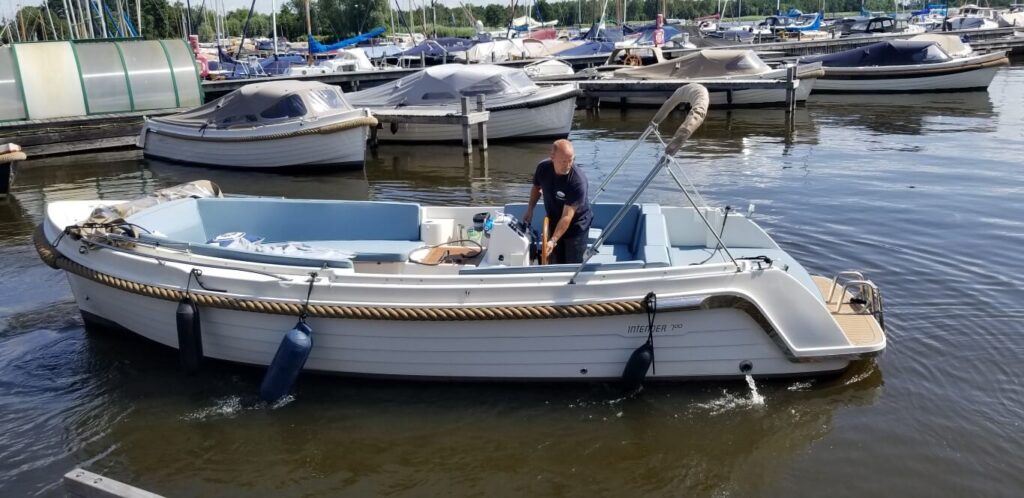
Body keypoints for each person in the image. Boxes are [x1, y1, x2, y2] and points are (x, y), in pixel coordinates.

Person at [524, 139, 593, 264]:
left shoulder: (577, 181)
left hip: (576, 226)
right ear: (552, 157)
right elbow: (536, 187)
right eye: (563, 161)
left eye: (570, 160)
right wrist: (530, 209)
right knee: (555, 261)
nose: (568, 165)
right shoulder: (543, 168)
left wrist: (553, 240)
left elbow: (567, 216)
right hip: (554, 220)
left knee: (572, 264)